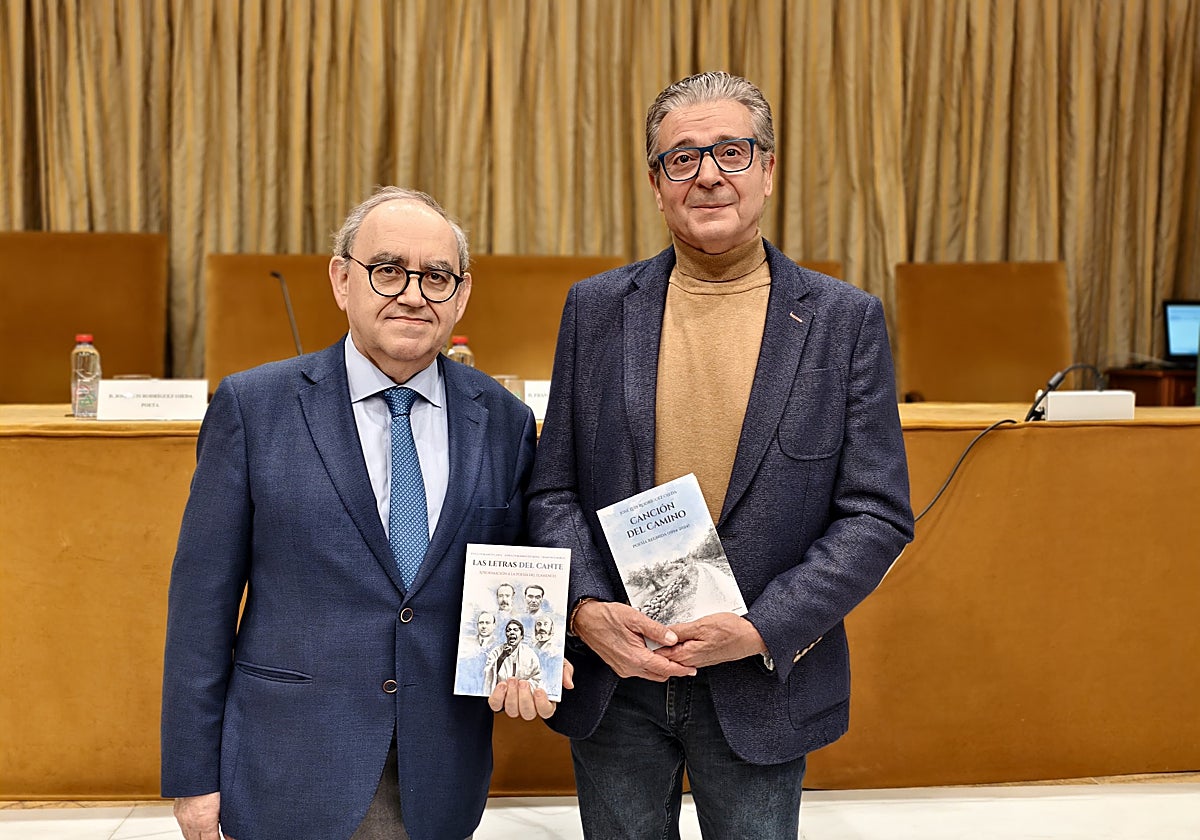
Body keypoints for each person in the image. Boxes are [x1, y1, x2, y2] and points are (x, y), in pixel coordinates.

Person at [527, 71, 914, 839]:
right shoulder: (596, 309)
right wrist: (587, 612)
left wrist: (762, 627)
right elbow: (552, 492)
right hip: (619, 679)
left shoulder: (844, 322)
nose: (708, 173)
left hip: (760, 678)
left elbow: (876, 515)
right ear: (656, 182)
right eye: (683, 157)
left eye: (731, 152)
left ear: (768, 170)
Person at [162, 186, 567, 840]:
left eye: (437, 276)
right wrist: (192, 777)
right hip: (286, 767)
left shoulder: (503, 421)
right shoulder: (253, 407)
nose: (413, 293)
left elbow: (520, 567)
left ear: (461, 296)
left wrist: (535, 655)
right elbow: (200, 605)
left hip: (439, 773)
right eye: (388, 270)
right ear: (341, 279)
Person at [483, 619, 544, 693]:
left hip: (523, 695)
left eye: (515, 630)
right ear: (506, 634)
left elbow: (536, 677)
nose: (511, 632)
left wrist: (521, 689)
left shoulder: (529, 654)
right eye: (509, 630)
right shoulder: (496, 652)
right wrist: (502, 657)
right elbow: (488, 674)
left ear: (522, 635)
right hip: (501, 693)